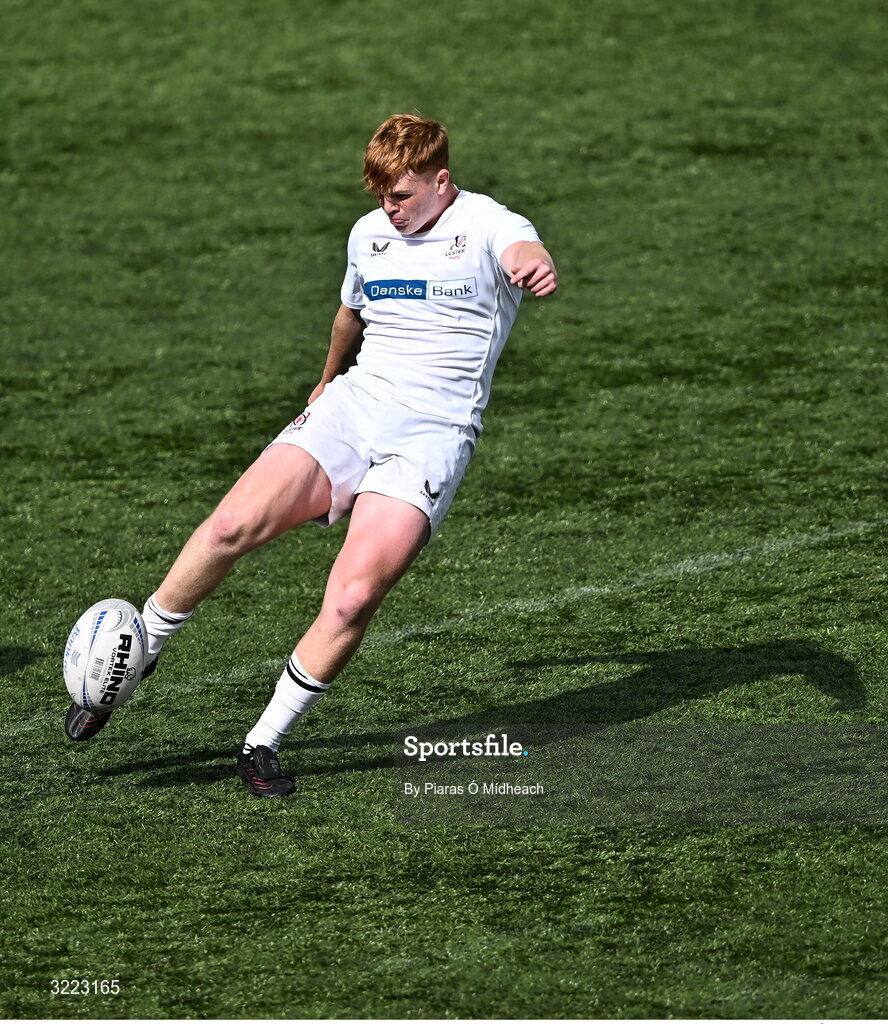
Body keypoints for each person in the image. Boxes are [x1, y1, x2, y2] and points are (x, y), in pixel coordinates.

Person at [64, 114, 558, 797]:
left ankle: (262, 741)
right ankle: (141, 649)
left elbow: (520, 248)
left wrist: (532, 264)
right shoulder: (369, 234)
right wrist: (327, 380)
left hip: (432, 435)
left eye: (402, 196)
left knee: (354, 595)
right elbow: (350, 315)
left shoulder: (489, 224)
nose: (389, 208)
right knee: (232, 524)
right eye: (381, 194)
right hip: (352, 407)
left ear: (442, 182)